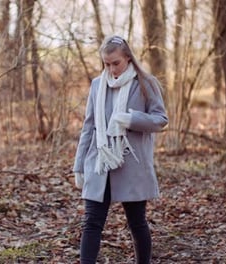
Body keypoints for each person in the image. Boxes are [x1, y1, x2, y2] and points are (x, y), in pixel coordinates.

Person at [72, 35, 168, 263]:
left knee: (137, 223)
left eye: (116, 63)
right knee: (91, 222)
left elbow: (160, 119)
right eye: (107, 63)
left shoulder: (145, 82)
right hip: (100, 162)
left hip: (131, 164)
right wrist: (79, 166)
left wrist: (131, 119)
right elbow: (89, 126)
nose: (111, 68)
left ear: (128, 58)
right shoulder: (97, 85)